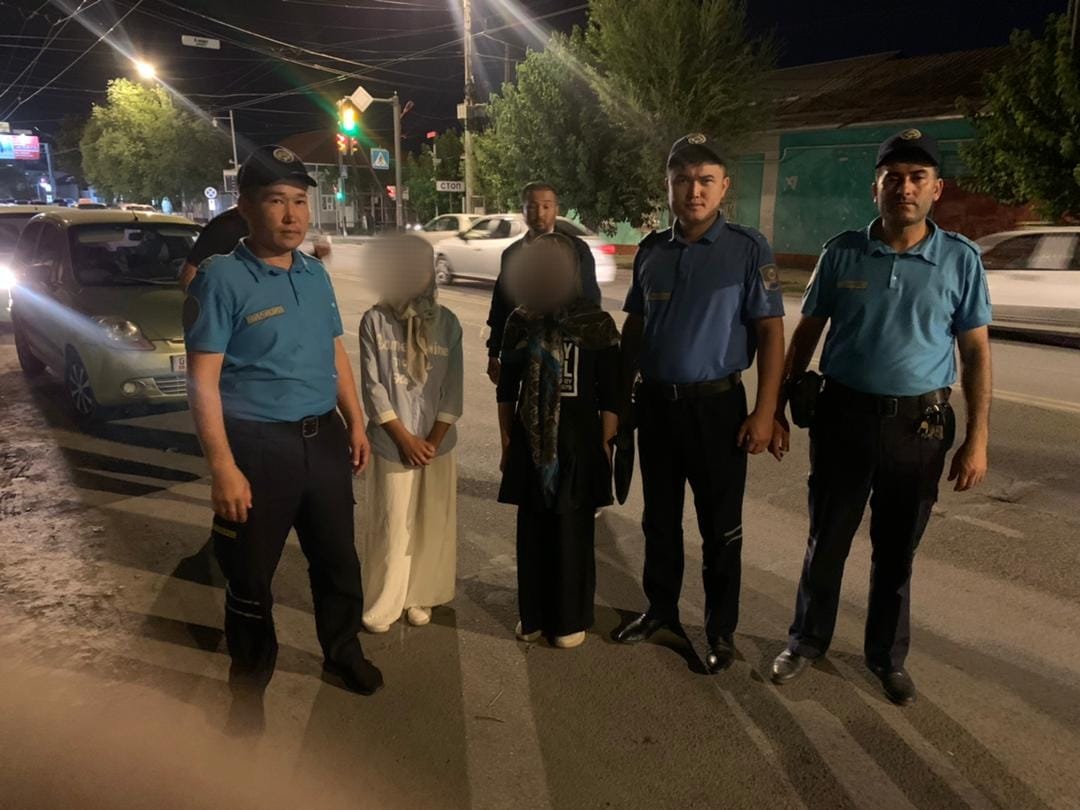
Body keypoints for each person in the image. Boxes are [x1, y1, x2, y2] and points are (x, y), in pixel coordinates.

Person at [769, 129, 992, 706]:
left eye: (918, 178)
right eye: (893, 178)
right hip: (843, 420)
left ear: (937, 189)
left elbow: (974, 353)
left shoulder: (960, 260)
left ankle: (886, 658)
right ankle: (806, 641)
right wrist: (780, 407)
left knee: (896, 553)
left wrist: (977, 437)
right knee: (827, 541)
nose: (905, 188)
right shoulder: (841, 252)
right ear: (876, 188)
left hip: (919, 429)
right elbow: (806, 334)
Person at [184, 145, 383, 716]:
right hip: (257, 448)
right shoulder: (220, 279)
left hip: (323, 440)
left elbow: (333, 349)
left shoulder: (314, 274)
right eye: (276, 201)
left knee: (338, 562)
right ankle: (248, 688)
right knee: (250, 579)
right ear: (245, 208)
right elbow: (202, 381)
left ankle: (342, 651)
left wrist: (355, 420)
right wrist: (223, 467)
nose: (292, 214)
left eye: (300, 200)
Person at [616, 134, 786, 674]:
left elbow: (771, 333)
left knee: (720, 529)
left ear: (723, 187)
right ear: (668, 186)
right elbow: (634, 329)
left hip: (718, 410)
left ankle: (720, 631)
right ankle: (660, 611)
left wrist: (765, 412)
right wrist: (618, 404)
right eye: (683, 180)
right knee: (659, 520)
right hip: (656, 408)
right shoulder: (651, 251)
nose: (694, 191)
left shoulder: (748, 249)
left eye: (706, 180)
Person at [497, 232, 620, 648]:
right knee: (533, 531)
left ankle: (570, 619)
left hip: (578, 443)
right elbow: (506, 390)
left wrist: (605, 444)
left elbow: (611, 392)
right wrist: (507, 442)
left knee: (572, 532)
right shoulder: (521, 321)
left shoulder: (596, 324)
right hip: (530, 442)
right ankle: (533, 614)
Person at [357, 235, 464, 633]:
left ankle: (421, 596)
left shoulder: (447, 323)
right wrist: (404, 439)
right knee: (391, 524)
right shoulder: (375, 320)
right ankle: (385, 601)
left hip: (437, 444)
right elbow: (373, 387)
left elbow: (453, 389)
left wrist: (431, 441)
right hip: (392, 442)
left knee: (430, 524)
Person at [485, 181, 602, 385]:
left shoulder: (576, 250)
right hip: (519, 350)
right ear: (523, 211)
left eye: (546, 206)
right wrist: (494, 352)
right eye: (532, 206)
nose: (540, 213)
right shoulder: (512, 254)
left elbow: (591, 304)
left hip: (564, 352)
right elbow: (501, 306)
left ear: (556, 210)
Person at [180, 205, 331, 290]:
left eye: (299, 201)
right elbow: (189, 276)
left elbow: (282, 266)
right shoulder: (225, 226)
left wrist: (315, 255)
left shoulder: (276, 225)